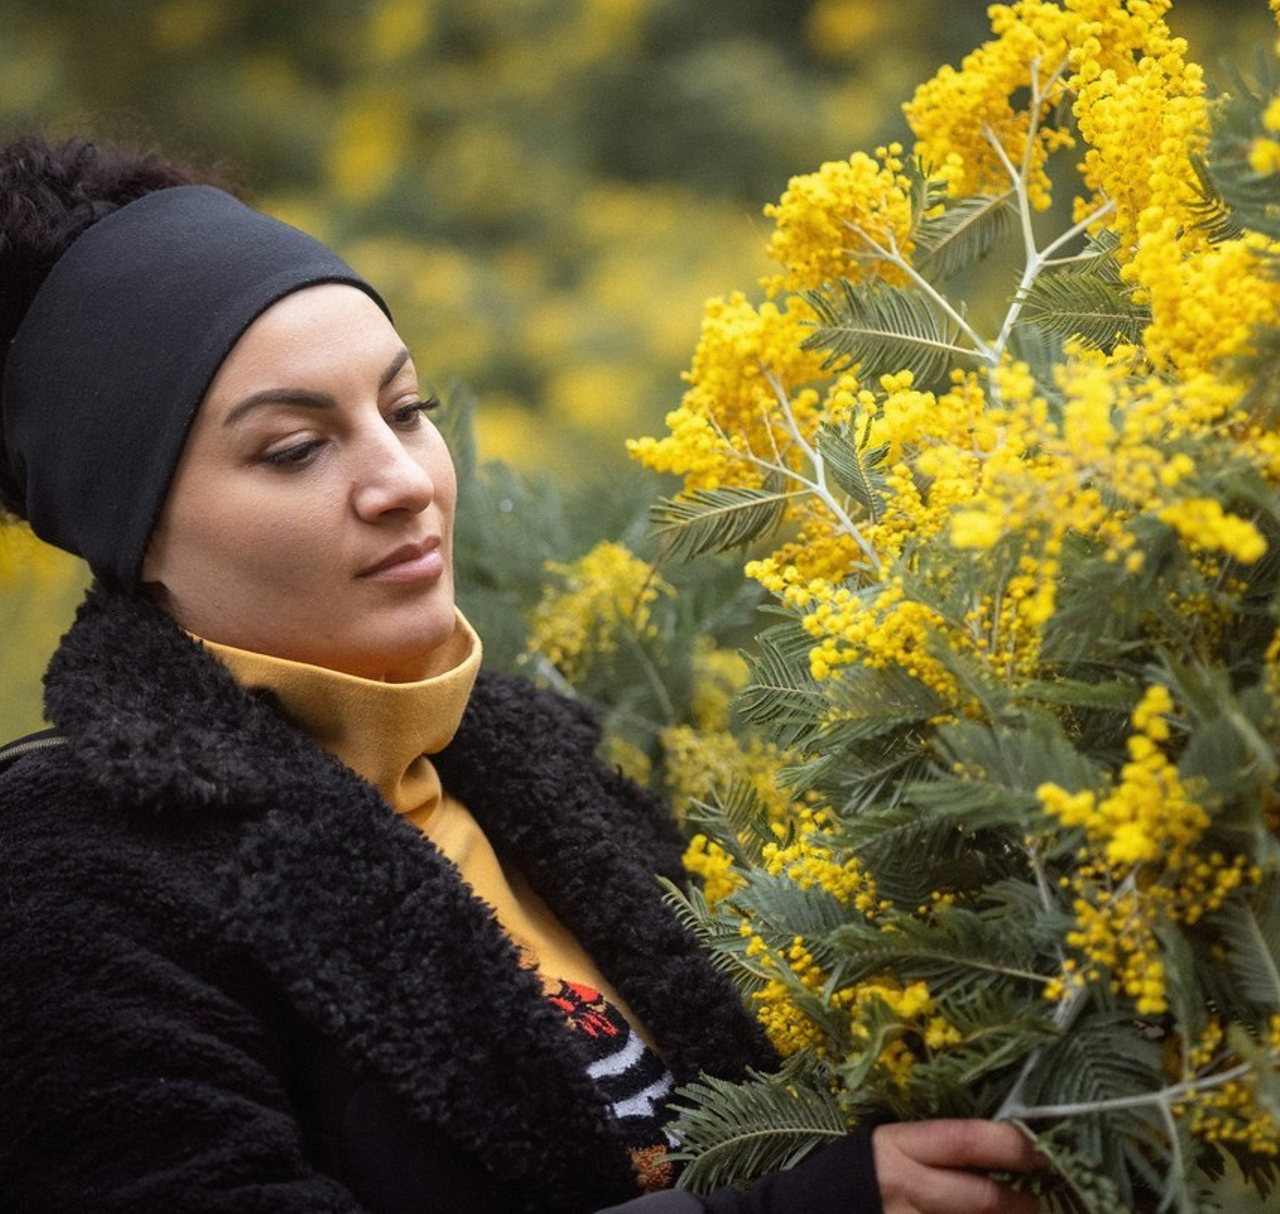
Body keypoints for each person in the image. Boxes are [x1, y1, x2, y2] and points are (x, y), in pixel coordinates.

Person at [0, 135, 1043, 1213]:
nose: (403, 481)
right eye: (295, 449)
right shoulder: (64, 883)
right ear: (133, 530)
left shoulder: (554, 767)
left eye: (406, 411)